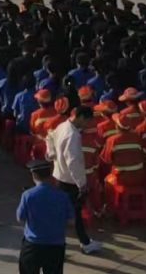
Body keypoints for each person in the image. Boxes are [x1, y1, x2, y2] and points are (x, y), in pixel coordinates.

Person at [16, 160, 99, 272]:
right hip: (56, 246)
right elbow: (71, 222)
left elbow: (20, 218)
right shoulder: (63, 196)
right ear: (50, 175)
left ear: (34, 175)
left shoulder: (28, 195)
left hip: (33, 245)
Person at [44, 105, 97, 251]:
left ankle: (84, 242)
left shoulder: (62, 126)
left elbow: (49, 137)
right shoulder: (73, 135)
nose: (86, 125)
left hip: (60, 175)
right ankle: (76, 243)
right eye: (86, 121)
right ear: (80, 118)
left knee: (70, 213)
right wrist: (82, 184)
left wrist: (51, 153)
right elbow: (74, 162)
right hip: (70, 180)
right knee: (71, 212)